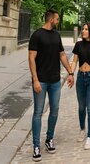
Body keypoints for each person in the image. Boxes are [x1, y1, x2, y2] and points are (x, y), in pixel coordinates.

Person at [28, 9, 74, 162]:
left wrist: (70, 72)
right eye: (57, 18)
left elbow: (62, 54)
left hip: (55, 81)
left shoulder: (56, 35)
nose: (58, 20)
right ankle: (36, 145)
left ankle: (49, 139)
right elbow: (31, 58)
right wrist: (35, 79)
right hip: (40, 80)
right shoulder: (37, 35)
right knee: (38, 113)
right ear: (51, 19)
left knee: (54, 111)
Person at [70, 21, 90, 150]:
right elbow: (74, 61)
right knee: (81, 108)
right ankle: (82, 129)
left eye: (85, 29)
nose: (83, 31)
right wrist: (71, 73)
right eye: (82, 29)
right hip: (80, 78)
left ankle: (89, 137)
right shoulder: (78, 45)